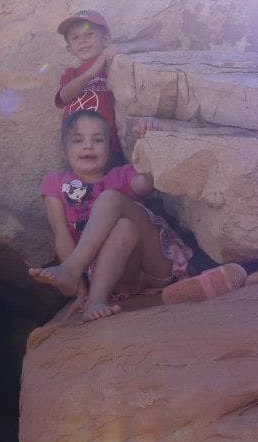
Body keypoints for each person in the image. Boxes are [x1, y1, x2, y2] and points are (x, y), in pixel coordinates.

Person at [28, 110, 193, 321]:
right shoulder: (56, 184)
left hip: (155, 266)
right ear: (64, 150)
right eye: (78, 140)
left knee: (109, 199)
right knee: (124, 228)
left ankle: (71, 269)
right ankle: (96, 300)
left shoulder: (121, 175)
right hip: (118, 276)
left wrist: (151, 140)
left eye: (98, 140)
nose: (88, 146)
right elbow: (61, 234)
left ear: (110, 148)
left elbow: (147, 182)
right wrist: (80, 290)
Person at [55, 10, 160, 159]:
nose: (82, 41)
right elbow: (64, 97)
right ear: (70, 49)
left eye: (89, 34)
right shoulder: (72, 74)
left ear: (105, 39)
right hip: (75, 149)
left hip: (108, 146)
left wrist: (118, 49)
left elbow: (155, 44)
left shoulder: (114, 65)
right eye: (75, 37)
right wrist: (92, 71)